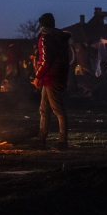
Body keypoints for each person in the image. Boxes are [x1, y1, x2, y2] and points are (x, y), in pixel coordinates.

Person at [33, 13, 71, 150]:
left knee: (58, 110)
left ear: (42, 25)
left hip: (50, 77)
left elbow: (46, 59)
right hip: (57, 75)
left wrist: (37, 77)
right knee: (43, 109)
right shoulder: (60, 37)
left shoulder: (46, 38)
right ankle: (41, 139)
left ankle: (62, 142)